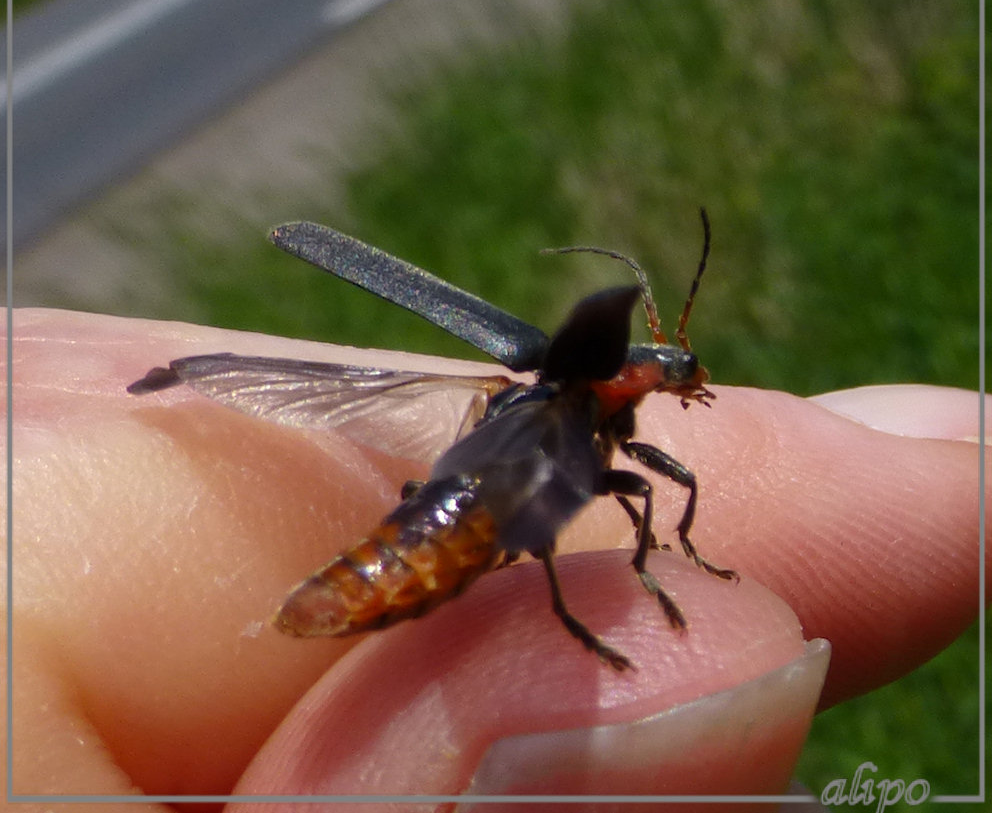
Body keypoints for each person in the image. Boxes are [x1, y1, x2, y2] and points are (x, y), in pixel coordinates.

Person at [6, 307, 986, 805]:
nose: (678, 374)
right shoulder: (569, 407)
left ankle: (623, 573)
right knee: (624, 495)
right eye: (670, 366)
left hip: (433, 524)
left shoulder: (556, 402)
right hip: (443, 532)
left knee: (618, 493)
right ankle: (587, 600)